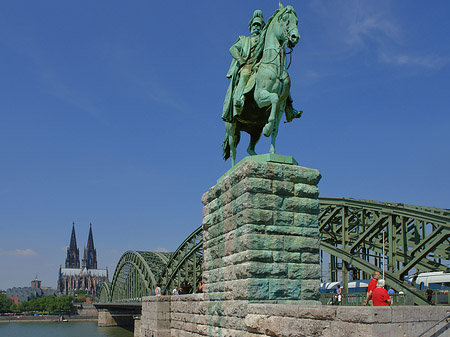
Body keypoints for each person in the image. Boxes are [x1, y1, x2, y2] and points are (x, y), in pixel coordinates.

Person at [222, 10, 265, 123]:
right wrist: (240, 60)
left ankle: (289, 107)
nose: (256, 27)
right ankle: (239, 101)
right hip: (247, 65)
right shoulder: (244, 40)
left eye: (258, 25)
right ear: (251, 27)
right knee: (245, 74)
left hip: (261, 66)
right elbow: (232, 49)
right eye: (254, 25)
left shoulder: (265, 41)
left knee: (281, 77)